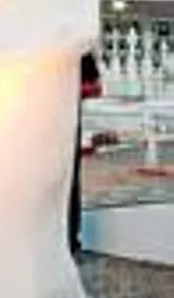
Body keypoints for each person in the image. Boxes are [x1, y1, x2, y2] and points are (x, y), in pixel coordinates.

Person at [69, 52, 102, 256]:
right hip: (36, 133)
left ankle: (71, 240)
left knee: (69, 184)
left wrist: (66, 91)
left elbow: (96, 88)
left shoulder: (79, 51)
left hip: (67, 131)